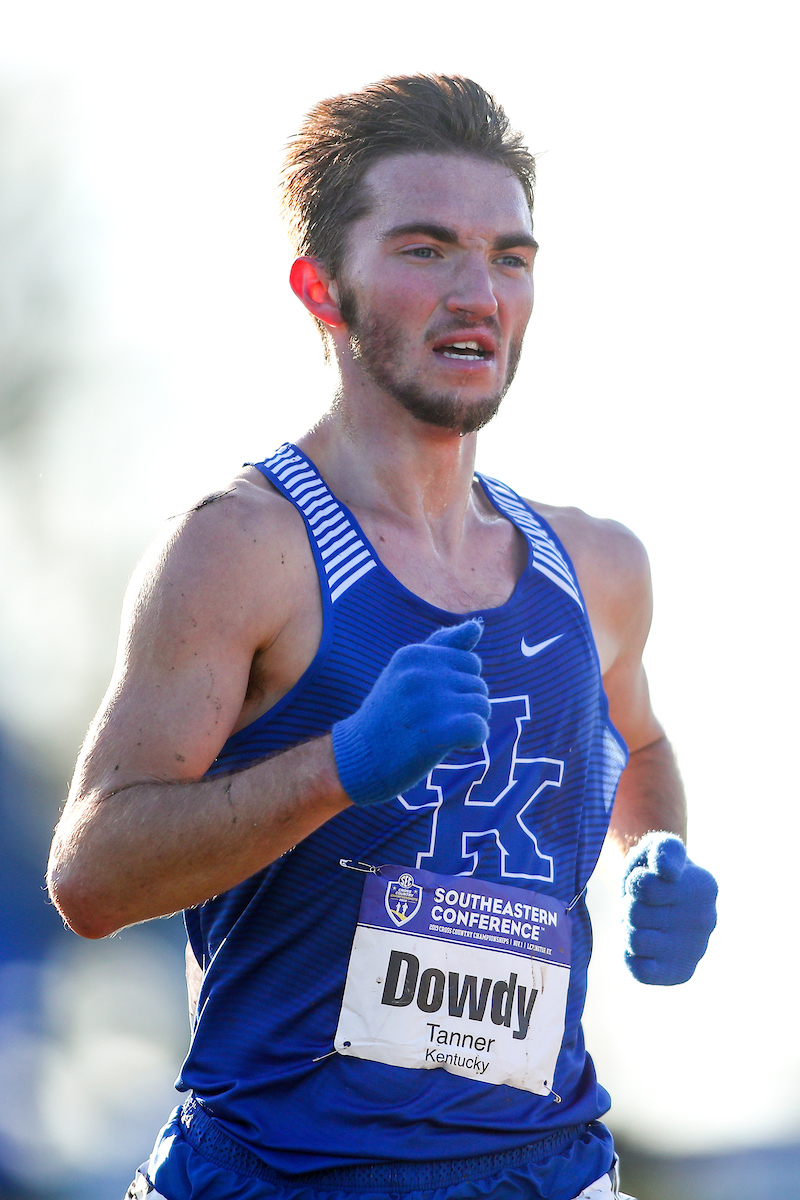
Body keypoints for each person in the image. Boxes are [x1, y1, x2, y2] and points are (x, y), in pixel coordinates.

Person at [47, 75, 717, 1200]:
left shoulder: (596, 568)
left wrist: (656, 856)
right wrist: (340, 765)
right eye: (425, 250)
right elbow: (91, 876)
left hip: (549, 1170)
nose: (478, 295)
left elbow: (635, 743)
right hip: (280, 1173)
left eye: (509, 258)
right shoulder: (239, 551)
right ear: (321, 287)